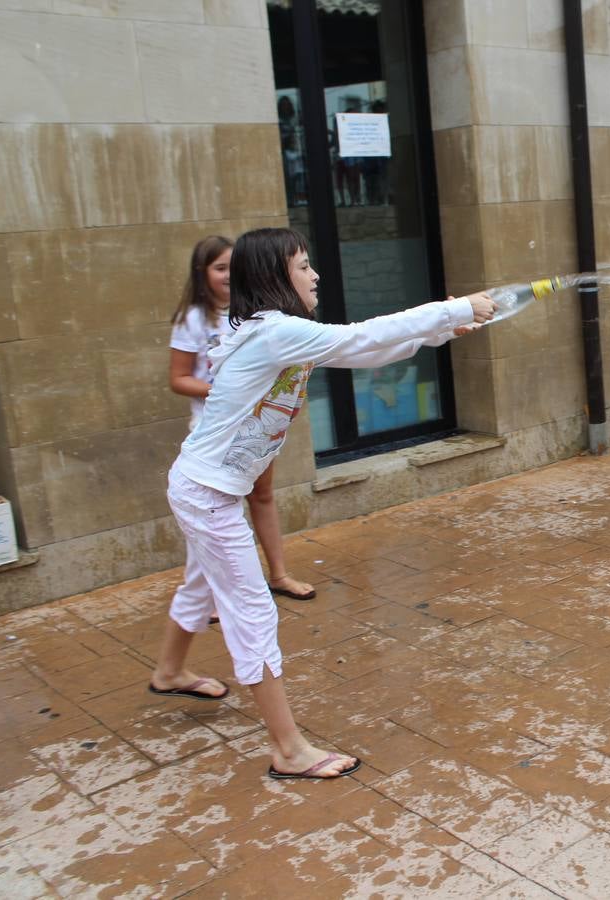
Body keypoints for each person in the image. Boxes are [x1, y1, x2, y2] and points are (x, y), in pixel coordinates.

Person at [150, 227, 495, 779]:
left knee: (205, 582)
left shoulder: (283, 334)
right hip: (207, 495)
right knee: (251, 611)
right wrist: (450, 307)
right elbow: (363, 335)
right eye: (305, 266)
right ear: (274, 277)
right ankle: (288, 751)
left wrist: (446, 328)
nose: (316, 275)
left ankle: (169, 671)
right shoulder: (273, 333)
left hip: (209, 491)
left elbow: (367, 352)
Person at [170, 236, 317, 607]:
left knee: (263, 496)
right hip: (215, 434)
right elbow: (179, 378)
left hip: (257, 430)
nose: (229, 275)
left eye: (234, 267)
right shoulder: (192, 319)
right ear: (201, 273)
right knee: (215, 513)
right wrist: (226, 393)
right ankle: (210, 598)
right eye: (220, 268)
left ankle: (279, 573)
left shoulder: (257, 314)